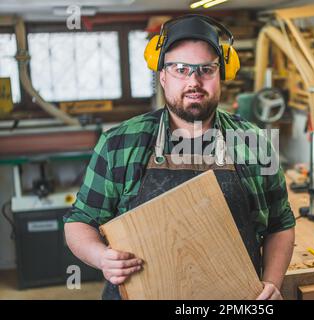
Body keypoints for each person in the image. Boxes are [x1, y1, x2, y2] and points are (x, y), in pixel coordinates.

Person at [64, 14, 295, 300]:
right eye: (181, 69)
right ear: (163, 77)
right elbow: (79, 222)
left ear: (221, 75)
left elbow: (280, 225)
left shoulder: (255, 142)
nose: (194, 81)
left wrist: (271, 283)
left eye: (206, 70)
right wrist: (102, 257)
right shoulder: (119, 143)